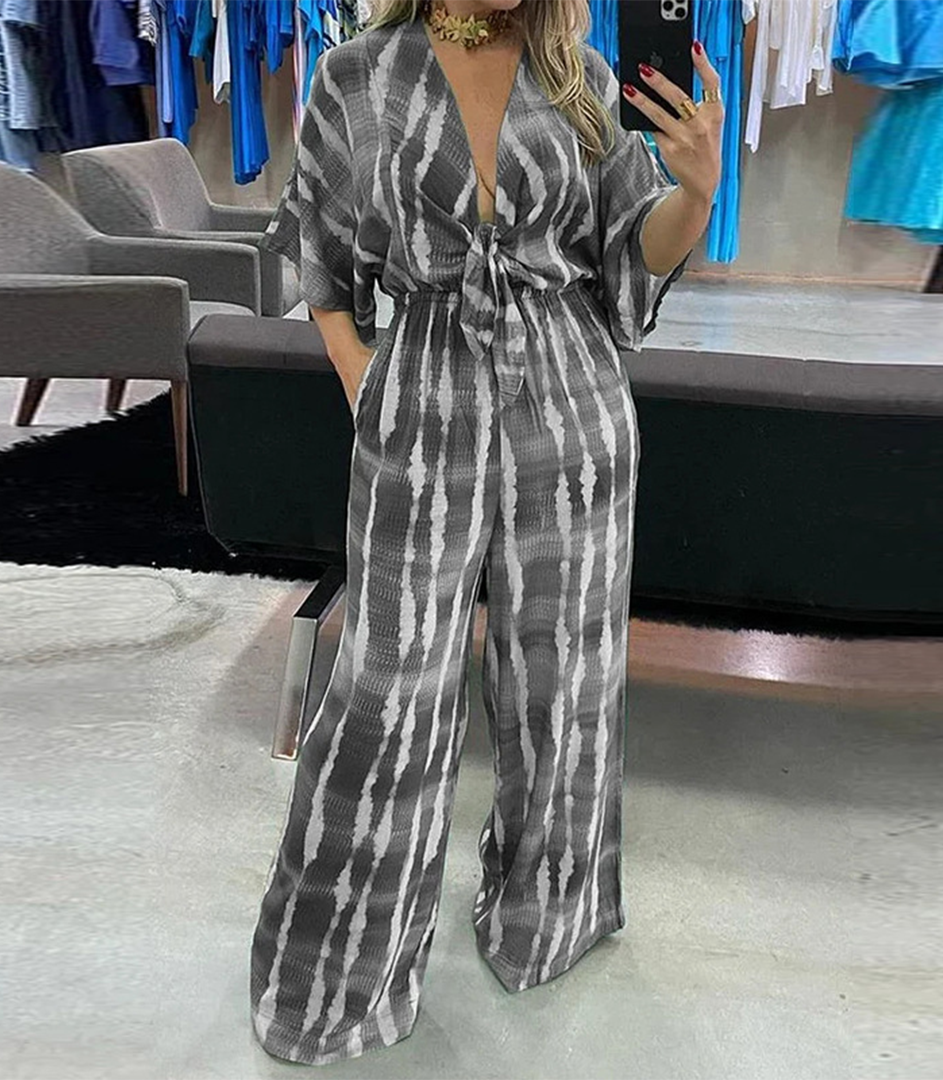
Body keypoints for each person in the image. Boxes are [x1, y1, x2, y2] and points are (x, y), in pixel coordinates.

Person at [250, 0, 723, 1065]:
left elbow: (628, 256)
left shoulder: (579, 74)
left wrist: (696, 190)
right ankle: (337, 975)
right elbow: (318, 248)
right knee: (388, 685)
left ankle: (546, 919)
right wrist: (362, 380)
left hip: (571, 397)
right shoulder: (357, 74)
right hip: (422, 388)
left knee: (566, 678)